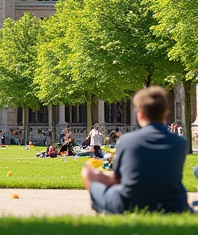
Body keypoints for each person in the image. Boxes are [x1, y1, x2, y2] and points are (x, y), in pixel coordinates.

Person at [81, 86, 189, 215]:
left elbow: (117, 178)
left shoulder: (127, 141)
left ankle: (104, 208)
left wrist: (100, 176)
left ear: (140, 114)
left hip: (131, 203)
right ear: (166, 112)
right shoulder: (180, 142)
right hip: (175, 204)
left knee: (87, 172)